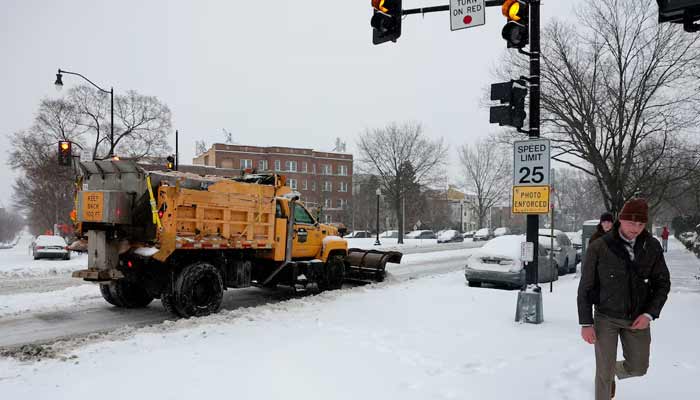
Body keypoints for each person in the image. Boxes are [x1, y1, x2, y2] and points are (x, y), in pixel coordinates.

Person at [577, 198, 671, 400]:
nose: (635, 228)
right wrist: (586, 322)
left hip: (637, 318)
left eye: (640, 224)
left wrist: (649, 314)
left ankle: (612, 371)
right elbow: (586, 286)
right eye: (631, 222)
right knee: (603, 372)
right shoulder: (600, 246)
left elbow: (662, 283)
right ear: (621, 220)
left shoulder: (652, 246)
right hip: (605, 317)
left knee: (638, 368)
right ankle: (606, 377)